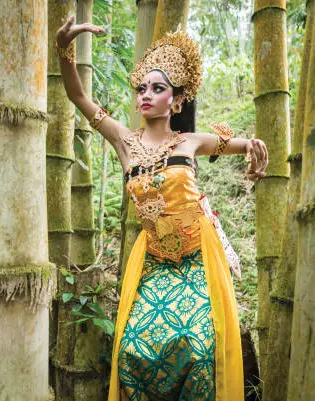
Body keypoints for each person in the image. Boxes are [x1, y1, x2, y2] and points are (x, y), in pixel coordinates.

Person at [56, 15, 268, 401]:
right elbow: (79, 97)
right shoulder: (123, 141)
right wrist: (64, 50)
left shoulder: (190, 142)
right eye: (141, 88)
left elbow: (245, 144)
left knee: (201, 350)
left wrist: (256, 150)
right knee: (132, 350)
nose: (146, 95)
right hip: (152, 260)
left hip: (198, 258)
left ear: (178, 98)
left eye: (158, 88)